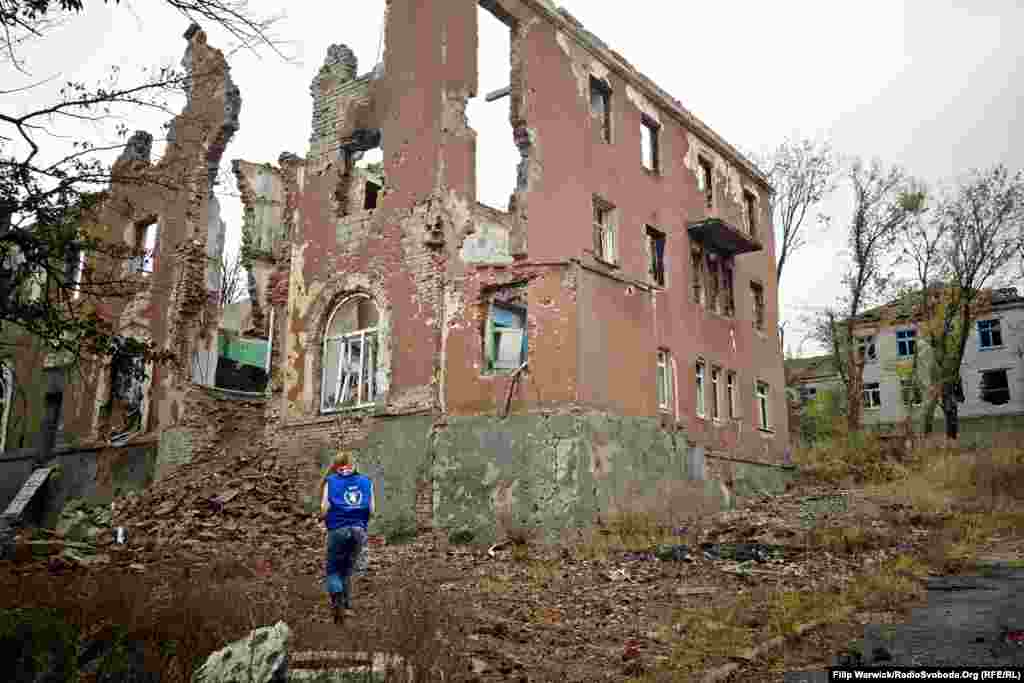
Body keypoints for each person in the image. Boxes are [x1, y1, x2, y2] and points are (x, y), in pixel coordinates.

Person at [319, 450, 374, 624]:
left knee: (333, 569)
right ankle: (346, 607)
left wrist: (329, 516)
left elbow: (324, 508)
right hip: (359, 530)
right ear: (353, 464)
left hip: (337, 529)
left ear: (336, 465)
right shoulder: (366, 481)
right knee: (347, 570)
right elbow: (372, 510)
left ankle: (337, 598)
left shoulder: (331, 481)